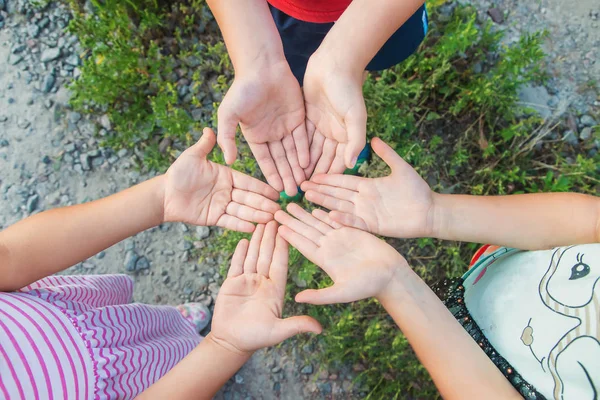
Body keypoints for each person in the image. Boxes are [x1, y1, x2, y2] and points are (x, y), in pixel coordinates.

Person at [0, 129, 321, 399]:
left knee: (146, 327)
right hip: (120, 388)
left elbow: (9, 256)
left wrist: (160, 198)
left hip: (77, 320)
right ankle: (196, 349)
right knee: (179, 368)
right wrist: (226, 345)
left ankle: (173, 328)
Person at [274, 137, 600, 399]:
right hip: (509, 279)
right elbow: (592, 223)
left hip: (488, 371)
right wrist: (437, 213)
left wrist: (395, 283)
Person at [207, 0, 429, 196]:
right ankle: (328, 104)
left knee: (359, 64)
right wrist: (256, 61)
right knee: (295, 62)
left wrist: (344, 60)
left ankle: (347, 88)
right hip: (288, 9)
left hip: (386, 9)